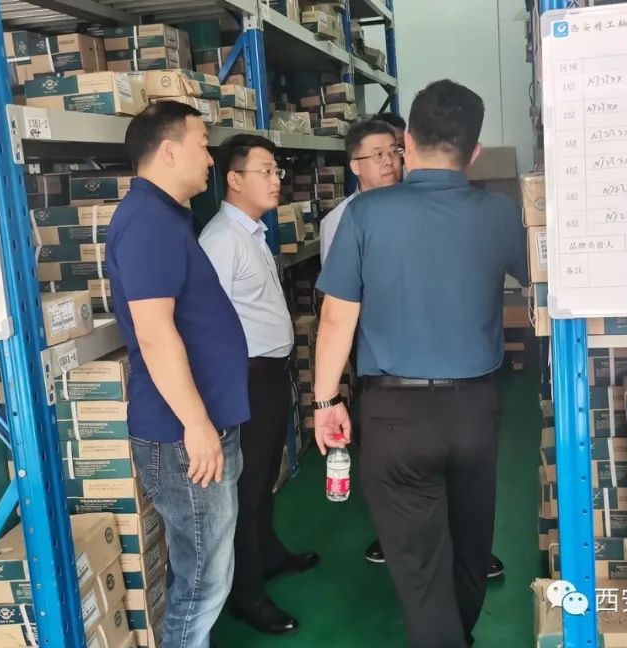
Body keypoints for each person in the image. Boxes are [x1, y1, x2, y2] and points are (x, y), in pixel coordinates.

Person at [312, 80, 528, 648]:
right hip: (475, 411)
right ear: (474, 151)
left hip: (393, 416)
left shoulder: (366, 213)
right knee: (471, 547)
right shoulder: (500, 214)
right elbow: (547, 285)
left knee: (418, 565)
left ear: (406, 141)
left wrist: (326, 401)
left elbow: (336, 318)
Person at [105, 102, 250, 648]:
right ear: (168, 151)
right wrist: (196, 423)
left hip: (194, 428)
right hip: (181, 435)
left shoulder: (166, 218)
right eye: (202, 145)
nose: (211, 159)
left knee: (201, 572)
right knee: (204, 583)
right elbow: (154, 333)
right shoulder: (147, 223)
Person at [199, 134, 320, 635]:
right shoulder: (220, 240)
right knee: (246, 490)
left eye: (277, 171)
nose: (277, 180)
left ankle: (268, 555)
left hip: (269, 374)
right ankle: (246, 594)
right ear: (234, 178)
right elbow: (206, 324)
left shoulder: (251, 232)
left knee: (265, 474)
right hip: (244, 379)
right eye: (265, 171)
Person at [320, 118, 402, 264]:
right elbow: (338, 277)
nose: (389, 161)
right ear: (356, 167)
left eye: (394, 151)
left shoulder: (417, 207)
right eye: (378, 155)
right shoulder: (337, 222)